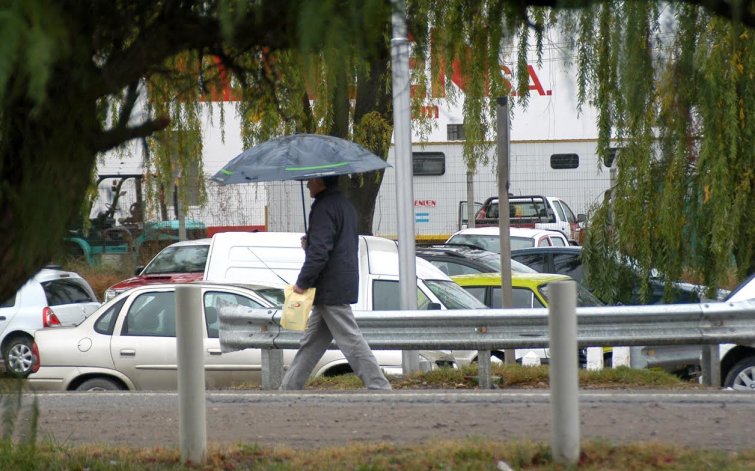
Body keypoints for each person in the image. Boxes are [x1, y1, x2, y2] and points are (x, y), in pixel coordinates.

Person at [280, 175, 391, 390]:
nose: (307, 184)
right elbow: (337, 243)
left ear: (321, 181)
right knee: (310, 344)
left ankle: (379, 386)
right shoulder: (345, 205)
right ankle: (288, 389)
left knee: (351, 340)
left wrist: (302, 282)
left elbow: (320, 253)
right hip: (339, 282)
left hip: (330, 286)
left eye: (310, 180)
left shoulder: (323, 208)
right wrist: (310, 243)